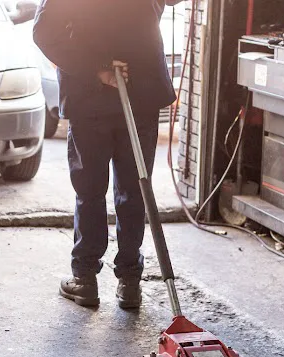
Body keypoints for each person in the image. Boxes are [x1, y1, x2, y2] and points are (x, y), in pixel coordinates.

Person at [34, 0, 182, 309]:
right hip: (108, 96)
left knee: (102, 188)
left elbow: (44, 32)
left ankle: (90, 278)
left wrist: (93, 68)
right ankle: (127, 281)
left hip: (113, 98)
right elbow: (45, 34)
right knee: (128, 188)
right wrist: (96, 68)